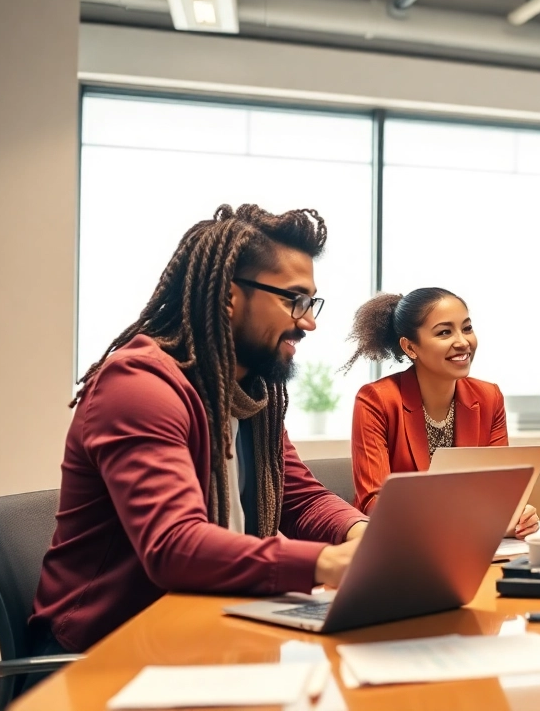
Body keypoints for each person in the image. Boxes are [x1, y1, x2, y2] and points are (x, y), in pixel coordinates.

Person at [30, 205, 368, 656]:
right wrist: (326, 563)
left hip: (209, 622)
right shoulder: (139, 387)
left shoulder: (249, 393)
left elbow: (299, 496)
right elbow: (174, 545)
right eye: (295, 300)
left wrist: (361, 535)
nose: (308, 321)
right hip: (106, 649)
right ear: (229, 296)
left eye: (311, 303)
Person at [345, 289, 540, 538]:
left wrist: (517, 515)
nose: (462, 342)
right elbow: (374, 503)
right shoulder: (377, 400)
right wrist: (470, 518)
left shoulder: (489, 397)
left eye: (467, 328)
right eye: (445, 332)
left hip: (469, 544)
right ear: (410, 347)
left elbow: (500, 491)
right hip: (397, 546)